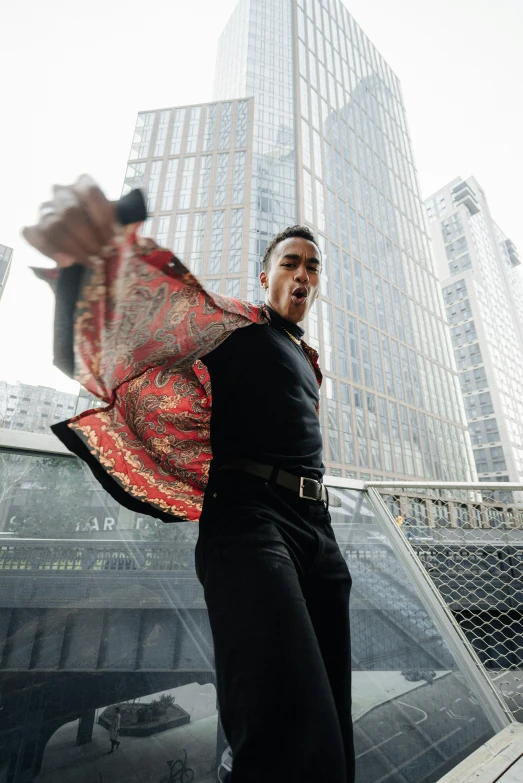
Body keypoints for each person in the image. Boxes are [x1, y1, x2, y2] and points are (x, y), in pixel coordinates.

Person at [24, 176, 355, 783]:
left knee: (334, 731)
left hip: (320, 535)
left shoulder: (309, 363)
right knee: (288, 739)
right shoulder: (230, 325)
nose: (303, 274)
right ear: (266, 278)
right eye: (290, 262)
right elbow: (141, 317)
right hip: (250, 526)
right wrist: (91, 257)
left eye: (313, 266)